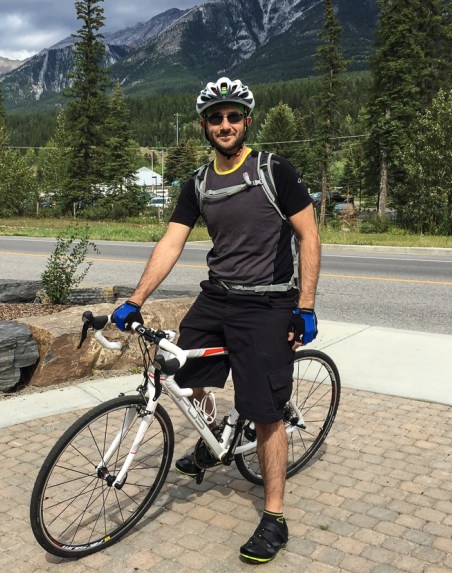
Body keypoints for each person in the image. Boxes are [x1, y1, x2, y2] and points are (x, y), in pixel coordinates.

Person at [111, 76, 321, 565]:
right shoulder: (199, 183)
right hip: (218, 297)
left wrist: (306, 306)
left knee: (265, 411)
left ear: (247, 121)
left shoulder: (274, 170)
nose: (224, 125)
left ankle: (274, 518)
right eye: (215, 118)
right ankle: (213, 440)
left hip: (267, 303)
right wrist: (135, 299)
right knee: (182, 373)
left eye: (233, 116)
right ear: (204, 126)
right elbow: (171, 242)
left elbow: (308, 236)